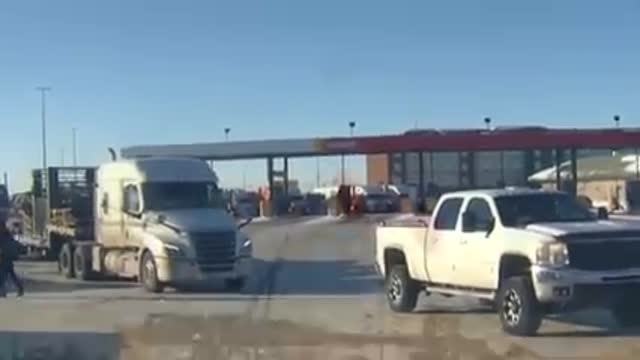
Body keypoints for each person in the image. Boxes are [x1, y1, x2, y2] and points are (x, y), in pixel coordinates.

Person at [0, 219, 24, 297]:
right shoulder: (7, 233)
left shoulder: (2, 235)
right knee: (11, 274)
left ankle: (2, 292)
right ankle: (20, 288)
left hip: (4, 256)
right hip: (8, 256)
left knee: (2, 276)